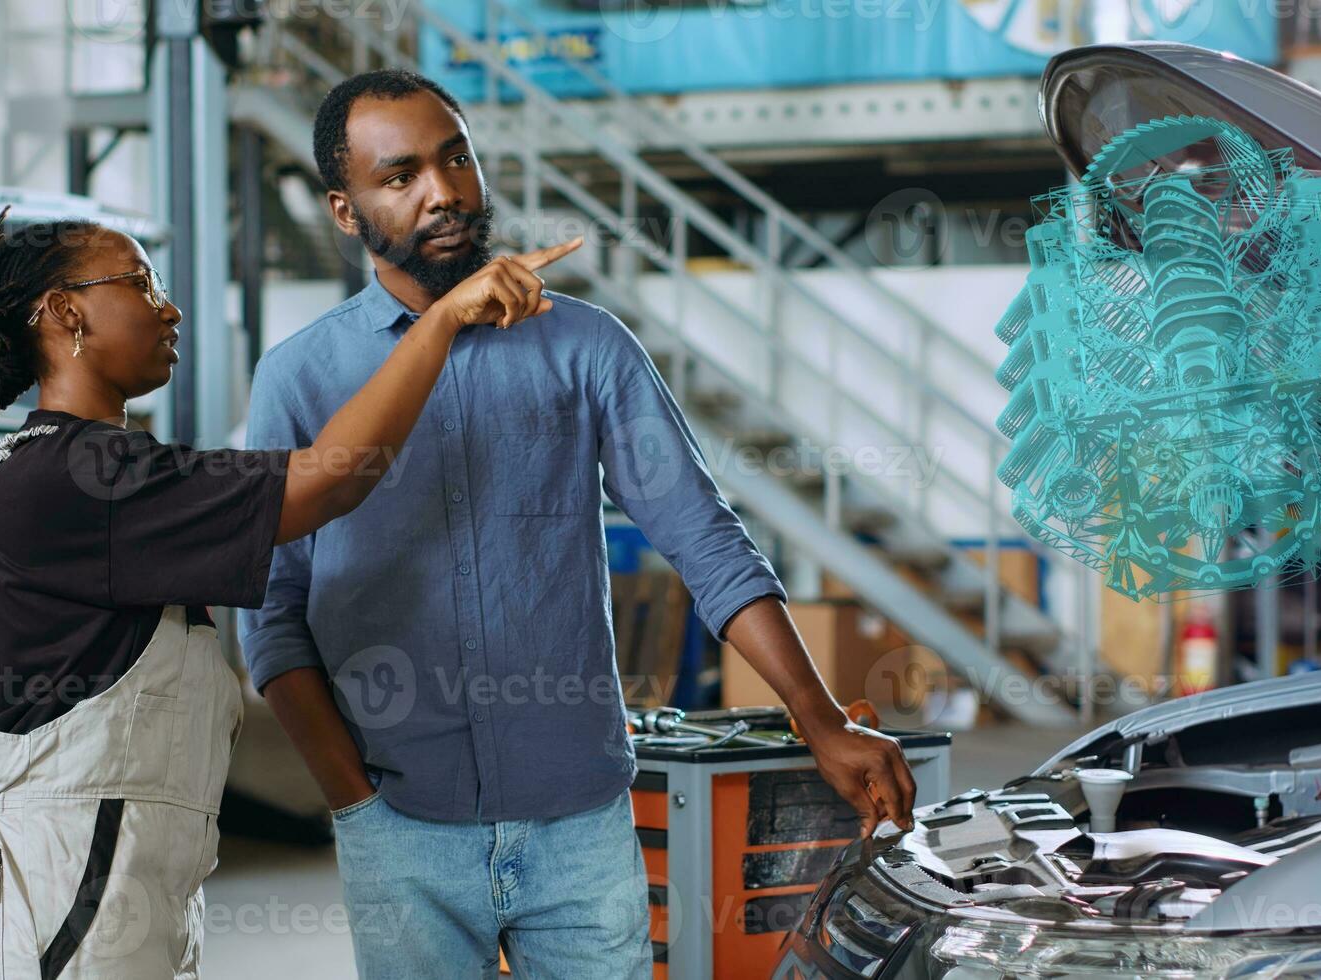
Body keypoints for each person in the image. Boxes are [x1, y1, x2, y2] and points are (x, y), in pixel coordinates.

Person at [240, 68, 917, 979]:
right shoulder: (301, 378)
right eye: (400, 177)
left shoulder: (585, 346)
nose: (442, 191)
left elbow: (704, 540)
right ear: (345, 210)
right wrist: (353, 801)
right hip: (403, 826)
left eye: (456, 159)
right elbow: (271, 612)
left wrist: (820, 717)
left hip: (580, 824)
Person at [0, 207, 578, 978]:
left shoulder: (77, 470)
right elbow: (329, 478)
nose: (166, 306)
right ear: (66, 312)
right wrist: (439, 324)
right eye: (139, 283)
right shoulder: (74, 480)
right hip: (64, 884)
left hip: (107, 877)